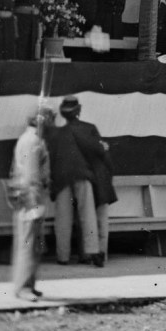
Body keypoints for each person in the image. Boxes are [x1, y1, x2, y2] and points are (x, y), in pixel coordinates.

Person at [55, 96, 115, 265]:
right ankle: (92, 252)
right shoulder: (89, 129)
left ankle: (63, 256)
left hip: (61, 178)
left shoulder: (58, 133)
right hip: (84, 176)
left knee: (63, 218)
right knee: (87, 215)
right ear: (79, 110)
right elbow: (99, 151)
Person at [9, 106, 54, 301]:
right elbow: (30, 175)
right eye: (50, 119)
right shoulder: (33, 141)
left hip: (30, 197)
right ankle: (24, 287)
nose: (52, 124)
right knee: (28, 244)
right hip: (31, 198)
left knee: (32, 244)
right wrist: (34, 204)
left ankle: (28, 284)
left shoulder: (31, 139)